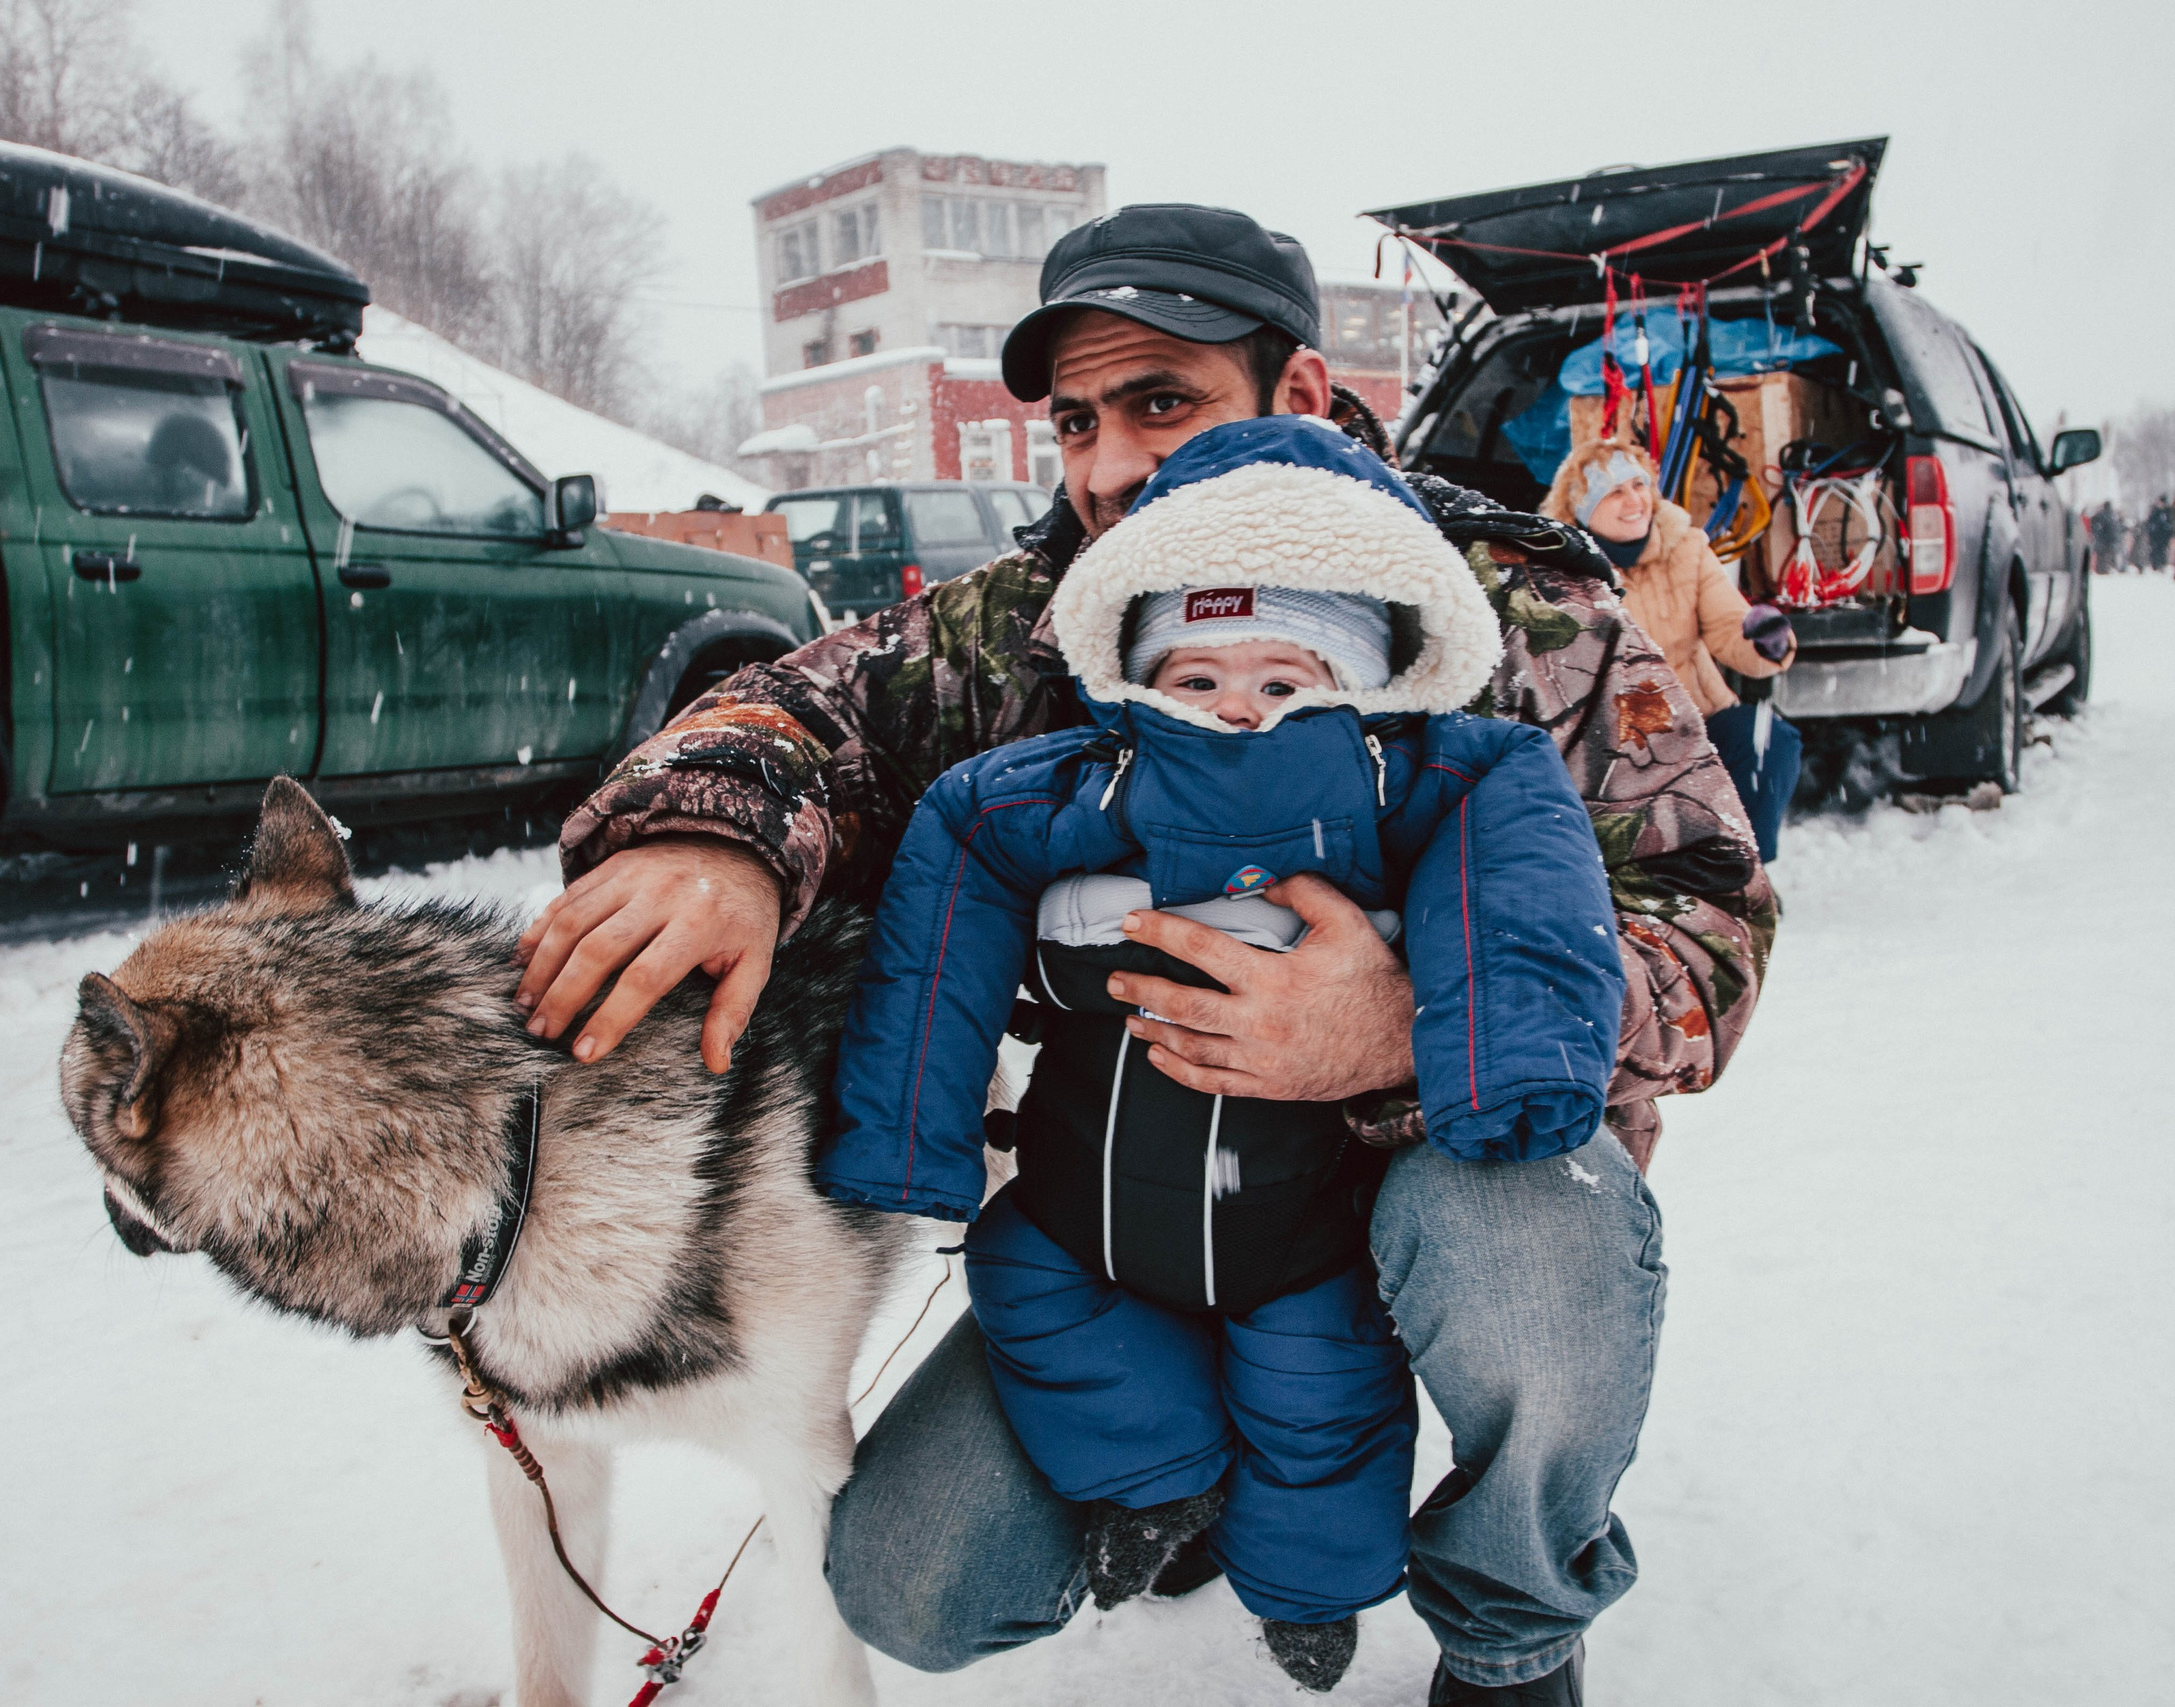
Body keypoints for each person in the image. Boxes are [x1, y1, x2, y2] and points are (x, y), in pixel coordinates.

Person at [514, 203, 1777, 1704]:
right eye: (1075, 420)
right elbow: (801, 708)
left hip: (1454, 1163)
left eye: (1162, 401)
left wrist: (1413, 1025)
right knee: (911, 1579)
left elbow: (1708, 902)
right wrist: (710, 828)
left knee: (1534, 1254)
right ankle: (1187, 1463)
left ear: (1300, 395)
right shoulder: (1044, 618)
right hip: (1151, 1200)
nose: (1109, 462)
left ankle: (1510, 1623)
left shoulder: (1517, 611)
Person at [819, 414, 1626, 1695]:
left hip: (1314, 1223)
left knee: (1321, 1397)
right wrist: (904, 1134)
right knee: (1029, 1289)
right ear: (1136, 670)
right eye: (1196, 678)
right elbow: (954, 855)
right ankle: (1165, 1487)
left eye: (1287, 677)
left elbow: (1527, 879)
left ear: (1367, 675)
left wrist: (1477, 1051)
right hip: (1085, 1206)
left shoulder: (1439, 763)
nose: (1238, 707)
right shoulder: (1083, 781)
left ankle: (1399, 1608)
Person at [1544, 439, 1800, 859]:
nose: (1634, 501)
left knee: (1768, 739)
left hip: (1700, 720)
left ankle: (1747, 866)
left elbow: (1727, 629)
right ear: (1582, 510)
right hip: (1619, 738)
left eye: (1639, 485)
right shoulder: (1563, 571)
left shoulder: (1687, 547)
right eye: (1614, 492)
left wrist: (1766, 640)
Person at [2144, 496, 2175, 575]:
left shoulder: (2167, 511)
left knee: (2163, 550)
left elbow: (2170, 522)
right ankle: (2155, 565)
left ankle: (2162, 564)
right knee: (2155, 550)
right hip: (2155, 536)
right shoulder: (2155, 511)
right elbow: (2149, 522)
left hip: (2164, 535)